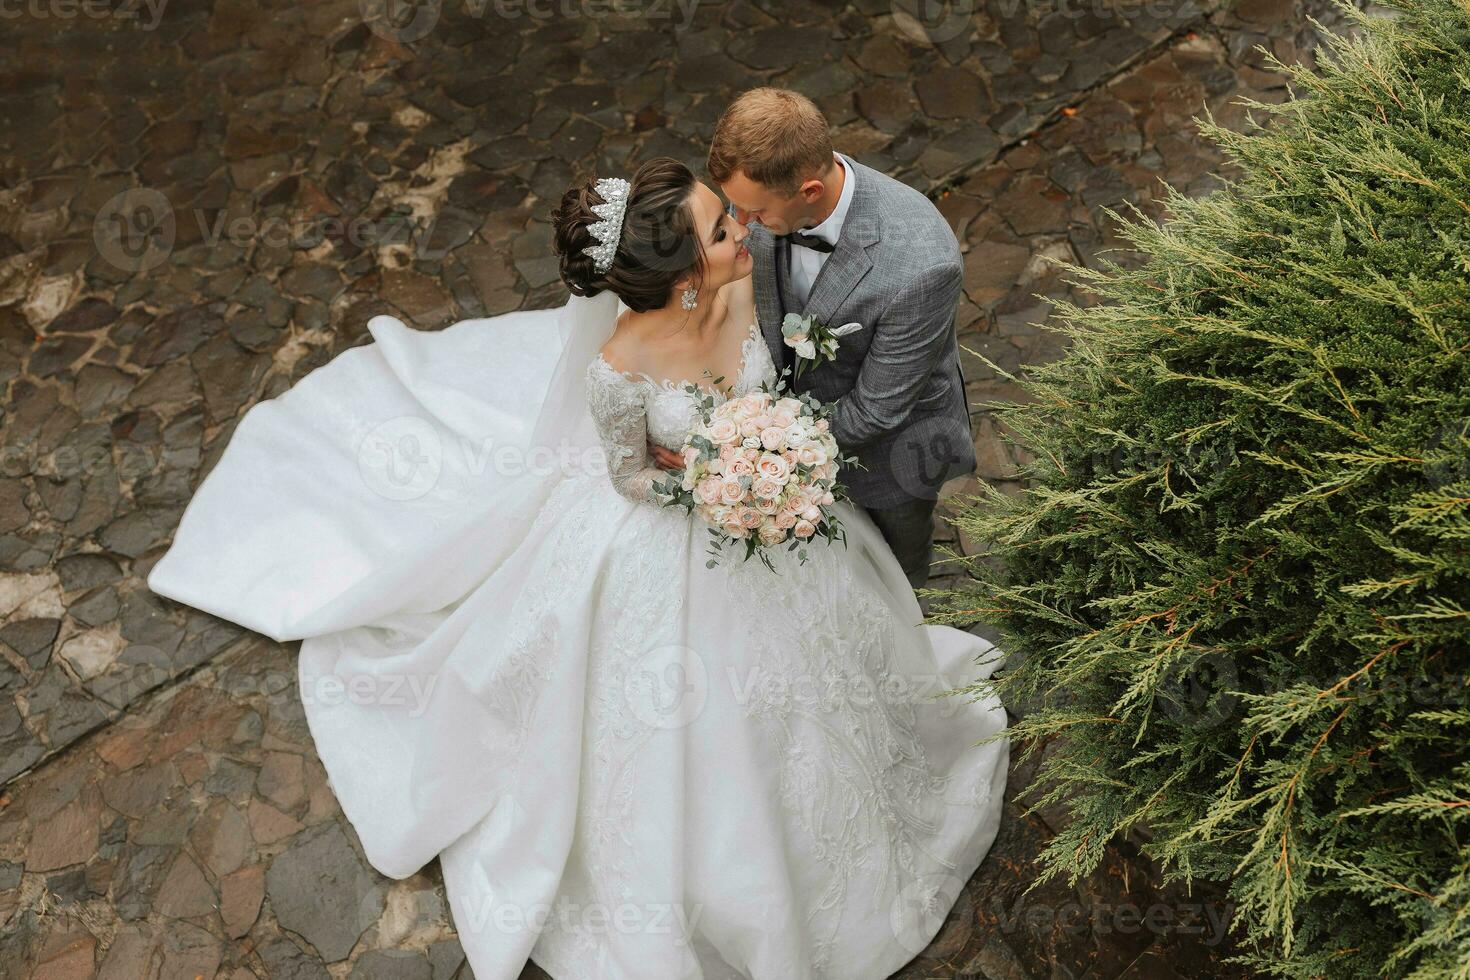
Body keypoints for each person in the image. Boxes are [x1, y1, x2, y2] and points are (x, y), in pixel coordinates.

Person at [146, 155, 1009, 980]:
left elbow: (776, 376)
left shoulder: (749, 279)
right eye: (721, 228)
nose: (741, 231)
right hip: (681, 538)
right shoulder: (618, 368)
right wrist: (718, 489)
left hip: (779, 527)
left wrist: (774, 459)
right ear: (682, 279)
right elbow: (630, 475)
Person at [646, 88, 977, 593]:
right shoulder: (758, 200)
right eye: (734, 205)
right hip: (788, 440)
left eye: (753, 212)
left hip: (892, 455)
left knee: (899, 572)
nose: (738, 225)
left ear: (810, 191)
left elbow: (876, 410)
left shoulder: (922, 264)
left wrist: (746, 458)